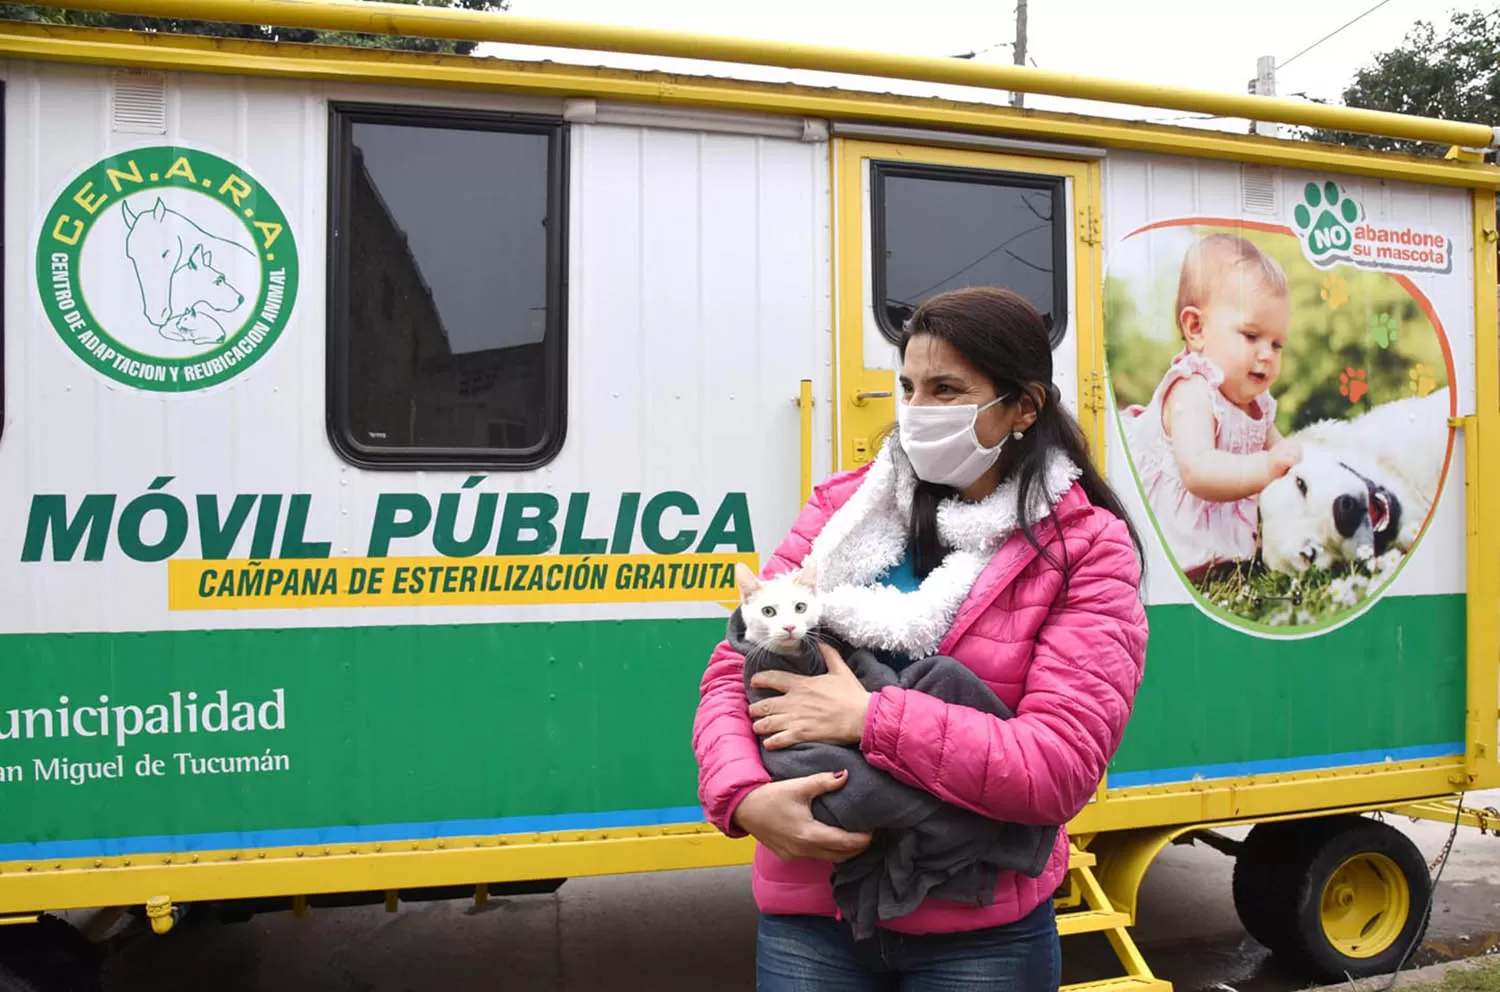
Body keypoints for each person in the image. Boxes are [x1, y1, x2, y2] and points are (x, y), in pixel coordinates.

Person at [691, 286, 1150, 990]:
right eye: (907, 386)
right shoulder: (843, 511)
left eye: (946, 390)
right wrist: (744, 796)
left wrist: (869, 717)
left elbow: (1057, 767)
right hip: (812, 916)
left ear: (1023, 407)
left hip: (981, 937)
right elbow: (734, 668)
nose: (917, 411)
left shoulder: (1083, 549)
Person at [1122, 232, 1302, 580]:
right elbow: (1199, 471)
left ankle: (1232, 562)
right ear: (1196, 328)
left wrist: (1297, 467)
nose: (1266, 354)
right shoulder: (1192, 389)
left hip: (1226, 559)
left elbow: (1285, 460)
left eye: (1277, 344)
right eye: (1251, 336)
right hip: (1178, 544)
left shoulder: (1258, 406)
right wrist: (1266, 467)